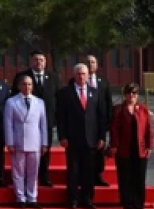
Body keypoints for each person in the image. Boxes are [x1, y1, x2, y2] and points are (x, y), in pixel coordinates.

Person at [55, 63, 106, 209]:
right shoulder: (65, 93)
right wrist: (62, 136)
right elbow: (61, 117)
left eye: (84, 74)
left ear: (88, 75)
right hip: (72, 139)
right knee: (73, 171)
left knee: (89, 172)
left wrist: (102, 137)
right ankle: (72, 200)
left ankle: (88, 199)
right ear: (74, 75)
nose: (81, 76)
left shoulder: (95, 92)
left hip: (91, 139)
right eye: (78, 74)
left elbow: (101, 117)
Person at [13, 51, 57, 187]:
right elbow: (14, 99)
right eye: (36, 60)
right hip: (26, 121)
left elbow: (58, 98)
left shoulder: (53, 77)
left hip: (47, 121)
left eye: (41, 60)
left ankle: (44, 175)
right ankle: (27, 177)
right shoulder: (22, 76)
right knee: (26, 151)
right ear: (31, 61)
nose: (39, 62)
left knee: (45, 149)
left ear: (45, 62)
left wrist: (55, 118)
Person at [3, 75, 47, 208]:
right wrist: (9, 142)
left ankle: (32, 198)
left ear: (32, 86)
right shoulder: (11, 102)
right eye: (24, 84)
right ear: (19, 86)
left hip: (35, 142)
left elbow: (43, 124)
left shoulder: (39, 102)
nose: (27, 87)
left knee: (33, 172)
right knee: (18, 172)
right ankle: (20, 198)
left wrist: (44, 143)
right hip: (18, 142)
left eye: (29, 84)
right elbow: (8, 123)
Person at [109, 82, 152, 209]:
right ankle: (127, 202)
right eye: (129, 93)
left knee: (139, 177)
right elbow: (114, 129)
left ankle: (138, 202)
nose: (131, 95)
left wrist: (149, 146)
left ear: (138, 95)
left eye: (134, 93)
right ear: (125, 94)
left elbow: (148, 129)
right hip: (124, 149)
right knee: (125, 177)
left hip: (140, 149)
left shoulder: (143, 109)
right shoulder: (118, 109)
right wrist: (114, 145)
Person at [83, 55, 113, 187]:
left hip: (99, 122)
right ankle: (83, 176)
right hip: (83, 123)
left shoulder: (104, 82)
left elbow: (108, 103)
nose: (90, 64)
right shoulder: (76, 80)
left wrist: (109, 121)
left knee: (99, 150)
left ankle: (98, 175)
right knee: (84, 150)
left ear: (97, 65)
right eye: (88, 62)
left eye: (93, 62)